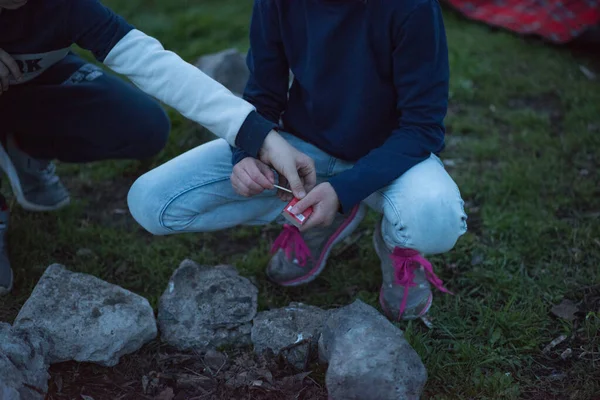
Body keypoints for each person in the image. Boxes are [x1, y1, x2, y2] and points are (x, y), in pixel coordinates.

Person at [128, 0, 469, 321]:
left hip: (392, 159)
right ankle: (323, 217)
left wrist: (343, 189)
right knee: (152, 202)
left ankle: (398, 247)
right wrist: (246, 154)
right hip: (302, 151)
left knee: (435, 216)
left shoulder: (412, 7)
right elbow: (263, 93)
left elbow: (422, 127)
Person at [0, 0, 316, 296]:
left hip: (31, 83)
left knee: (144, 125)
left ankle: (24, 143)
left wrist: (259, 136)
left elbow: (150, 61)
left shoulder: (64, 6)